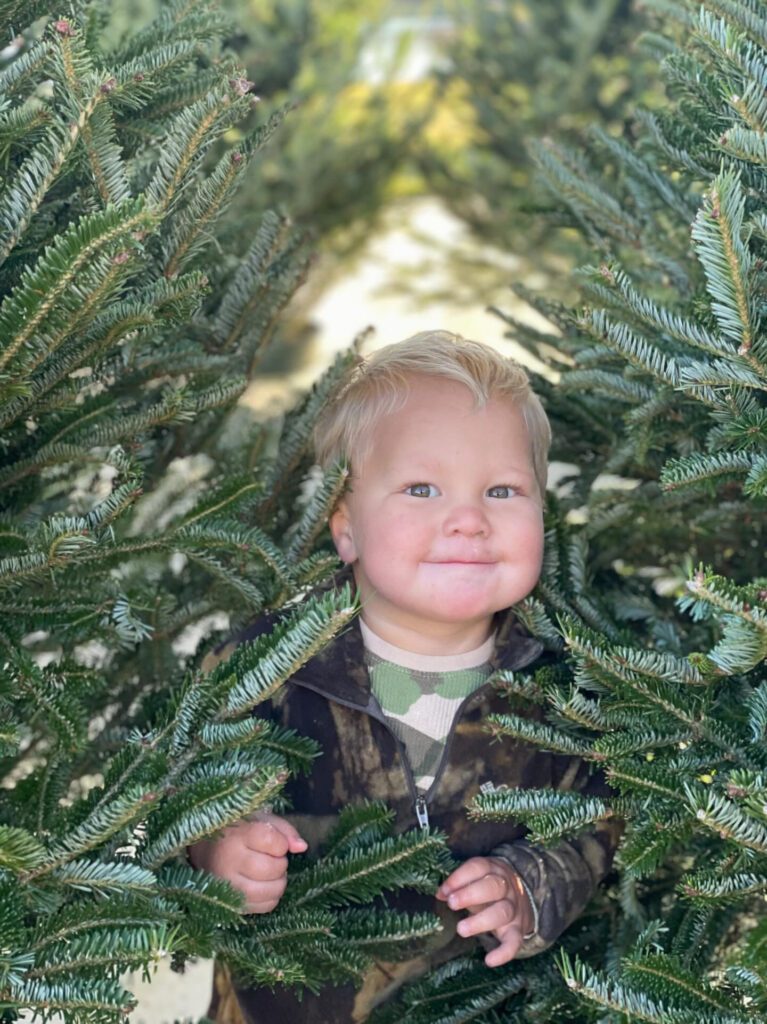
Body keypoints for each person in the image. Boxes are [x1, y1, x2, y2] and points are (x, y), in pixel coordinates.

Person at [190, 331, 619, 1023]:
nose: (468, 520)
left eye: (502, 489)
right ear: (346, 528)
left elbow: (596, 823)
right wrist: (217, 846)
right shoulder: (268, 667)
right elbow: (178, 785)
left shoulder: (562, 690)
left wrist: (527, 885)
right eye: (421, 488)